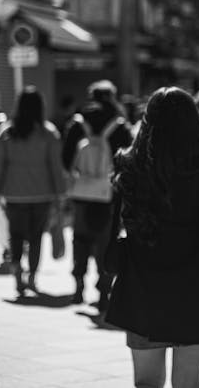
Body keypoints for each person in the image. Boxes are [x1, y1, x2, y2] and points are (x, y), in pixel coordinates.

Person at [105, 86, 199, 388]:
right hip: (194, 294)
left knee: (146, 382)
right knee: (188, 384)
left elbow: (115, 227)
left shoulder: (129, 169)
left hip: (141, 290)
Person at [63, 82, 132, 310]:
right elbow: (129, 161)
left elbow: (66, 157)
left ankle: (78, 287)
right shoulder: (119, 125)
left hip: (81, 191)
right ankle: (104, 291)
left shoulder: (79, 122)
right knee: (106, 241)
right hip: (109, 193)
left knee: (80, 239)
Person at [0, 87, 66, 295]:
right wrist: (60, 194)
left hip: (13, 193)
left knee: (15, 235)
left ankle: (18, 272)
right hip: (42, 193)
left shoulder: (6, 132)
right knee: (36, 238)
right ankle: (33, 276)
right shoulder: (49, 133)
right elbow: (56, 167)